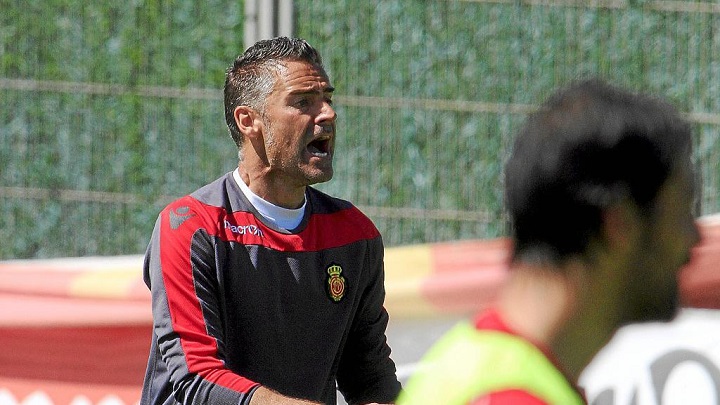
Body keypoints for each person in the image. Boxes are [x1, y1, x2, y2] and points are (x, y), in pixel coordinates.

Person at [397, 79, 700, 405]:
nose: (694, 239)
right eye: (682, 213)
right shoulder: (512, 396)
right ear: (620, 224)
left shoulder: (476, 360)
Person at [141, 37, 401, 405]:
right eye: (303, 102)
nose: (328, 113)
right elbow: (197, 378)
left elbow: (370, 376)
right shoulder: (191, 226)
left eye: (328, 98)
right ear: (249, 121)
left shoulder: (354, 234)